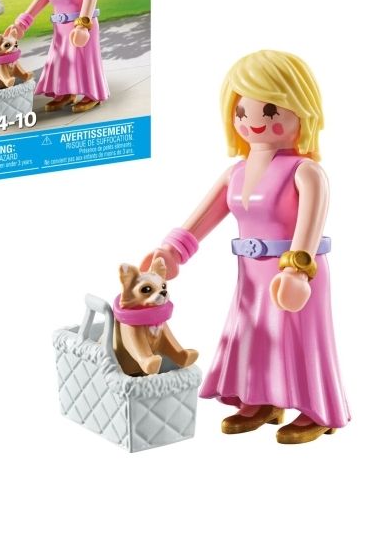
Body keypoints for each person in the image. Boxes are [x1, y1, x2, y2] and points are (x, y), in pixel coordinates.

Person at [141, 50, 350, 444]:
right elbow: (201, 219)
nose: (253, 121)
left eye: (270, 110)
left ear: (301, 110)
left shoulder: (305, 172)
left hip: (294, 275)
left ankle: (315, 409)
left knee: (301, 337)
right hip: (251, 277)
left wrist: (297, 270)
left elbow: (310, 226)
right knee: (253, 335)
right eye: (241, 111)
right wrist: (172, 251)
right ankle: (260, 399)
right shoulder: (235, 173)